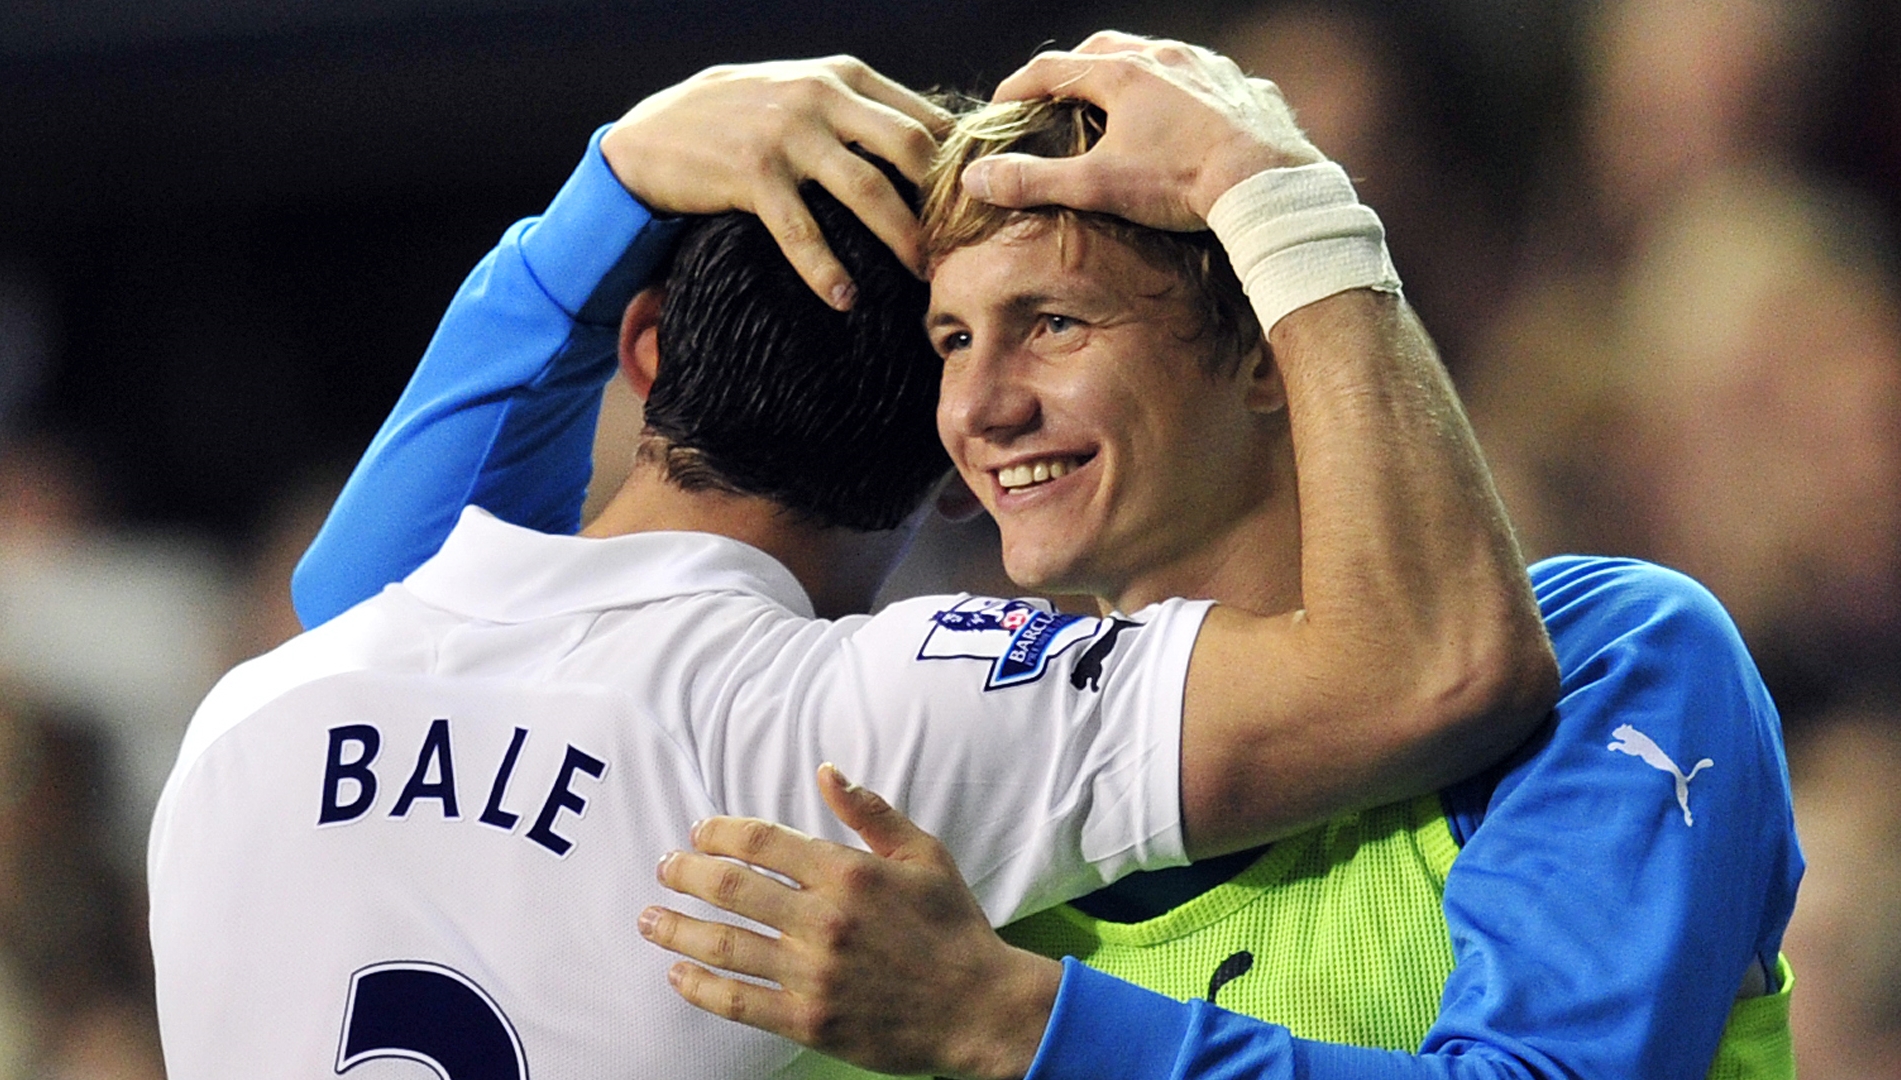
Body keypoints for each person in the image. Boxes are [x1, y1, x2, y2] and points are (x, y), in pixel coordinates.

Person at [150, 55, 1554, 1078]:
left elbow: (382, 597)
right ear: (955, 463)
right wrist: (1285, 203)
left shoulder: (245, 726)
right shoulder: (854, 727)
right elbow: (1433, 664)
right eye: (959, 342)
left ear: (642, 354)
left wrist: (610, 184)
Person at [633, 37, 1801, 1080]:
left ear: (1258, 353)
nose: (978, 407)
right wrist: (601, 193)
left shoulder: (1612, 659)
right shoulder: (924, 796)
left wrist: (1013, 1026)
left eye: (1053, 324)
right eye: (951, 341)